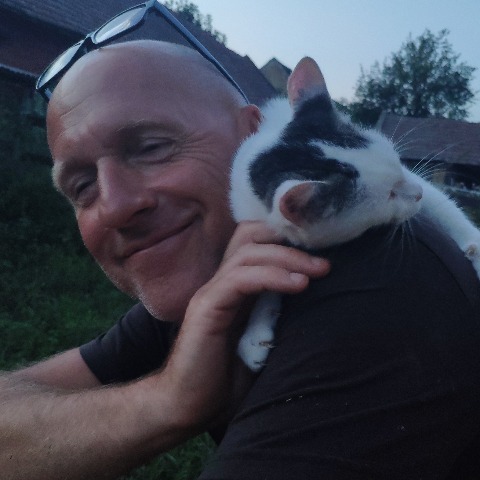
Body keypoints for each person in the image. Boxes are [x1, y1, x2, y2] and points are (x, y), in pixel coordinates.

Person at [1, 38, 480, 480]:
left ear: (253, 131)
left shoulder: (377, 288)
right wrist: (165, 402)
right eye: (82, 186)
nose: (116, 206)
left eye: (150, 148)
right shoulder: (216, 272)